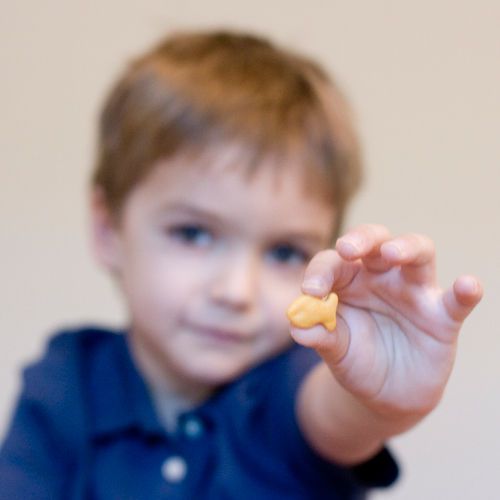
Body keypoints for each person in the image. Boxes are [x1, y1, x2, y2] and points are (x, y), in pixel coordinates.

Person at [0, 30, 483, 499]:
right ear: (108, 231)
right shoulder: (66, 383)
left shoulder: (290, 390)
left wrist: (380, 402)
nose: (236, 291)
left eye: (285, 252)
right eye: (193, 233)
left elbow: (335, 416)